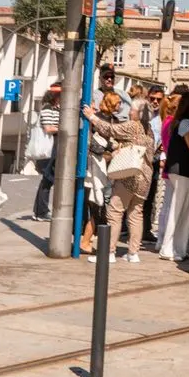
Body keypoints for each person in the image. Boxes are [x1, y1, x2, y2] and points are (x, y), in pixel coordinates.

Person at [82, 97, 154, 263]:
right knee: (136, 215)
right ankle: (133, 253)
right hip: (145, 179)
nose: (129, 112)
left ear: (137, 113)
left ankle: (109, 252)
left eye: (132, 110)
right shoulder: (148, 130)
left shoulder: (133, 126)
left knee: (114, 212)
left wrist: (91, 116)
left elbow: (110, 130)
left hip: (130, 175)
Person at [159, 88, 189, 263]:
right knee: (179, 210)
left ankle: (180, 248)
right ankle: (168, 248)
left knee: (184, 209)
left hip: (181, 171)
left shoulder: (179, 122)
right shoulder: (186, 124)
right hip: (183, 171)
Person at [79, 90, 116, 254]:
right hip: (95, 168)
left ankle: (87, 240)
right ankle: (86, 241)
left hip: (99, 168)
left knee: (97, 205)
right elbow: (96, 145)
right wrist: (112, 147)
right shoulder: (99, 119)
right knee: (97, 205)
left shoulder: (105, 118)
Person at [31, 81, 62, 220]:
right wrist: (64, 127)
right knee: (48, 178)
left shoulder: (57, 108)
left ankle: (41, 210)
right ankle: (40, 211)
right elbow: (48, 128)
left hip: (54, 147)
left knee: (48, 179)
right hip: (49, 148)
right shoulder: (48, 108)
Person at [143, 83, 166, 245]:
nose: (155, 102)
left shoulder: (162, 117)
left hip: (155, 160)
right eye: (153, 98)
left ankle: (146, 229)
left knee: (150, 196)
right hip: (141, 159)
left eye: (159, 99)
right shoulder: (142, 114)